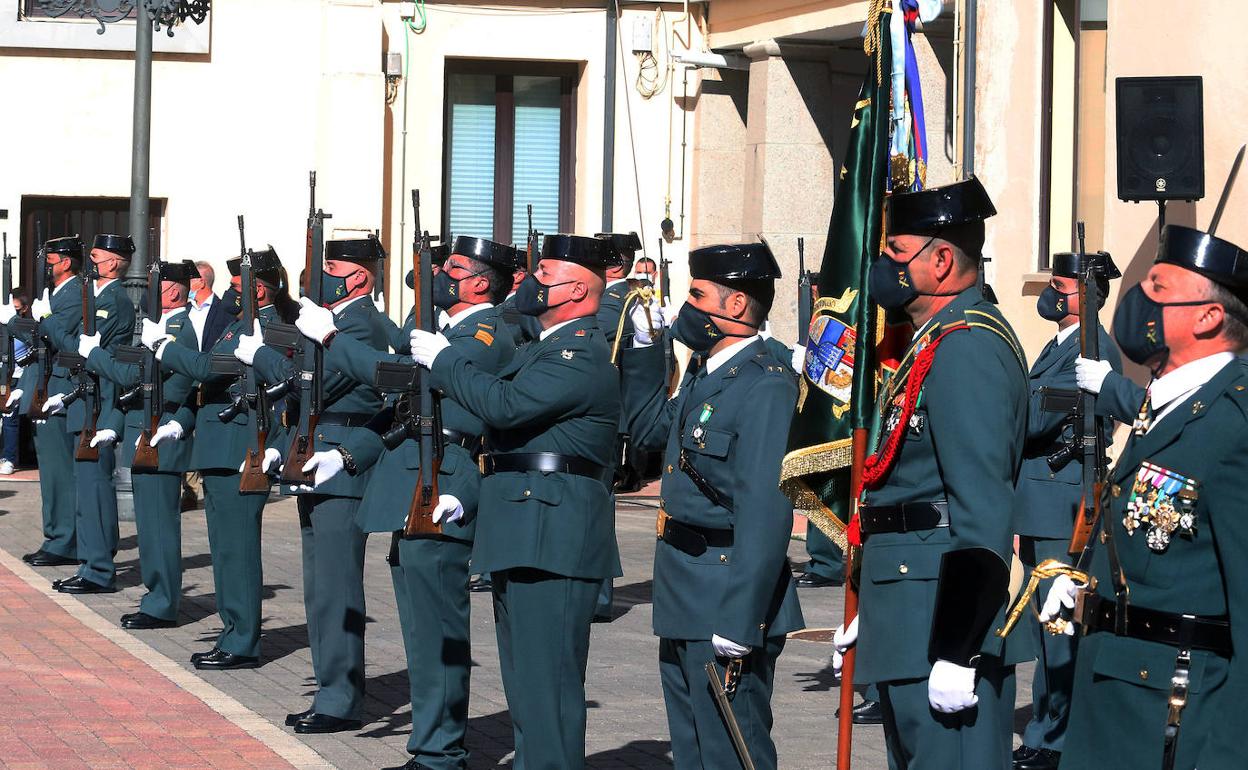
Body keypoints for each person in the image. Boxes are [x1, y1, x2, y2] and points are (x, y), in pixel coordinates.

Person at [296, 234, 518, 766]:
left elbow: (399, 380)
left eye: (453, 267)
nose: (440, 274)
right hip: (413, 478)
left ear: (481, 283)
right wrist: (348, 456)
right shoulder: (443, 331)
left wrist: (332, 339)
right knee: (420, 631)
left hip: (445, 478)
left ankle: (440, 751)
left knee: (437, 628)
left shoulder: (487, 333)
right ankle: (430, 744)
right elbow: (403, 407)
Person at [832, 177, 1029, 769]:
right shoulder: (928, 342)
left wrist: (958, 646)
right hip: (909, 605)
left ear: (941, 260)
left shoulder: (967, 345)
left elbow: (979, 506)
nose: (883, 265)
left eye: (896, 252)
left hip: (940, 618)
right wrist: (877, 604)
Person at [409, 233, 622, 769]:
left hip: (552, 533)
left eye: (544, 275)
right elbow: (504, 437)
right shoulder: (542, 348)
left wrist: (445, 361)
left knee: (546, 689)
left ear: (576, 290)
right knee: (527, 686)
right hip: (525, 529)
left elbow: (503, 408)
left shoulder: (579, 354)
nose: (529, 283)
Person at [1041, 225, 1248, 770]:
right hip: (1113, 691)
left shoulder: (1234, 419)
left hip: (1173, 710)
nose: (1139, 298)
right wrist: (1089, 582)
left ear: (1208, 316)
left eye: (1158, 285)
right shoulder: (1174, 402)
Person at [619, 241, 804, 769]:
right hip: (683, 584)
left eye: (698, 295)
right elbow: (650, 429)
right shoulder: (708, 369)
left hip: (725, 588)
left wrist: (742, 618)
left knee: (731, 748)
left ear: (737, 306)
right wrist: (644, 351)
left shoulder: (764, 384)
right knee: (693, 747)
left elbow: (765, 512)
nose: (687, 306)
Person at [237, 237, 391, 734]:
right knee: (319, 589)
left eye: (332, 265)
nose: (321, 272)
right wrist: (283, 440)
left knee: (336, 587)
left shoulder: (358, 324)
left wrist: (261, 355)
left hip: (339, 464)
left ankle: (341, 698)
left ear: (360, 276)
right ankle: (330, 687)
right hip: (312, 453)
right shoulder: (329, 321)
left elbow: (313, 385)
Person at [143, 247, 295, 669]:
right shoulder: (241, 326)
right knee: (224, 549)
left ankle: (243, 640)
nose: (228, 293)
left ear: (259, 291)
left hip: (242, 450)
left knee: (238, 550)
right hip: (220, 449)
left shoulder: (271, 329)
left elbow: (211, 368)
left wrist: (163, 348)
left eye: (236, 286)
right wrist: (182, 421)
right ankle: (233, 632)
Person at [1010, 251, 1122, 770]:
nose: (1050, 294)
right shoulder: (1061, 346)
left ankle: (1054, 735)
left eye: (1061, 286)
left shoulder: (1094, 350)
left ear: (1087, 294)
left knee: (1059, 628)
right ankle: (1048, 726)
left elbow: (1034, 420)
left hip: (1063, 505)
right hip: (1041, 502)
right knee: (1043, 623)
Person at [82, 260, 199, 627]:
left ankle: (162, 604)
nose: (151, 293)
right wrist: (114, 424)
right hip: (142, 429)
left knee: (159, 526)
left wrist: (96, 355)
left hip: (161, 431)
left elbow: (135, 375)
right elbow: (133, 390)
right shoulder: (157, 327)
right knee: (149, 527)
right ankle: (156, 597)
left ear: (175, 290)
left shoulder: (179, 329)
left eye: (158, 285)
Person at [43, 234, 137, 594]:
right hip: (82, 399)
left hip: (99, 400)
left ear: (114, 263)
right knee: (86, 487)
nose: (91, 264)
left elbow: (77, 347)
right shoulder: (95, 295)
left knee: (94, 487)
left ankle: (98, 568)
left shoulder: (116, 303)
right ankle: (93, 559)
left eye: (96, 258)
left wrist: (50, 322)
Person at [2, 238, 84, 567]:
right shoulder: (58, 294)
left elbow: (52, 339)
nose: (48, 266)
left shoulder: (74, 293)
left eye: (51, 260)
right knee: (51, 472)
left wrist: (23, 322)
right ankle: (57, 535)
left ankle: (64, 539)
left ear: (66, 262)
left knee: (59, 473)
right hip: (44, 386)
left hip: (59, 389)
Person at [0, 287, 32, 475]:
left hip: (19, 377)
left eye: (16, 308)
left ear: (24, 308)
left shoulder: (26, 326)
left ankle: (9, 458)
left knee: (10, 418)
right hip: (2, 374)